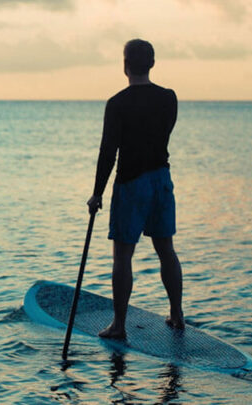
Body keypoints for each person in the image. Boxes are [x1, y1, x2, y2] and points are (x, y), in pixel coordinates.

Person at [87, 39, 183, 340]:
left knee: (123, 256)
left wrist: (97, 192)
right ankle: (177, 314)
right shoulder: (169, 98)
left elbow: (108, 151)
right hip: (161, 179)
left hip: (131, 182)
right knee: (166, 250)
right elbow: (164, 133)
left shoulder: (117, 103)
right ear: (152, 63)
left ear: (125, 65)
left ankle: (118, 325)